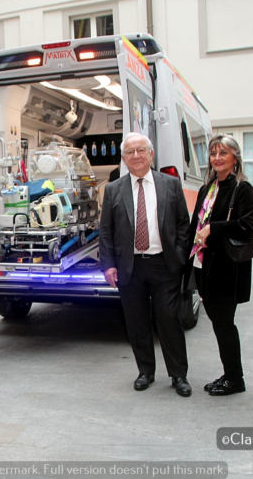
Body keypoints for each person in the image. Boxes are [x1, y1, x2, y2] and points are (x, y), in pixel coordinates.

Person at [99, 132, 192, 396]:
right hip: (130, 266)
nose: (136, 156)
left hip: (164, 265)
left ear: (151, 154)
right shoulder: (114, 189)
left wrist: (179, 253)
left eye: (141, 150)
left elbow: (183, 224)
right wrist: (108, 265)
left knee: (169, 320)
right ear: (124, 158)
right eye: (130, 152)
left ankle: (178, 375)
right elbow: (106, 230)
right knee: (136, 322)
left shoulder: (170, 184)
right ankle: (145, 372)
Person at [185, 135, 253, 396]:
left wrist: (214, 228)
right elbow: (195, 226)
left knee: (225, 323)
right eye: (213, 153)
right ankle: (230, 374)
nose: (217, 158)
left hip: (228, 269)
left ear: (235, 157)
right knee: (218, 323)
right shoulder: (208, 188)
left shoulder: (243, 189)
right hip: (205, 267)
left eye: (223, 153)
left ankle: (235, 380)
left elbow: (249, 225)